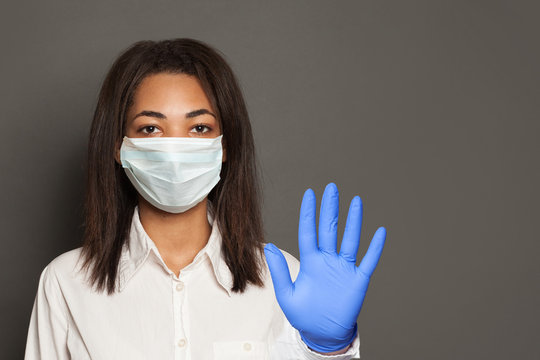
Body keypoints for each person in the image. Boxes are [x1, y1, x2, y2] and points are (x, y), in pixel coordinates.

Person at [24, 38, 386, 359]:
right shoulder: (65, 283)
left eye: (199, 128)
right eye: (151, 128)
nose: (175, 149)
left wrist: (330, 350)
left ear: (224, 146)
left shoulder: (287, 282)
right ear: (119, 148)